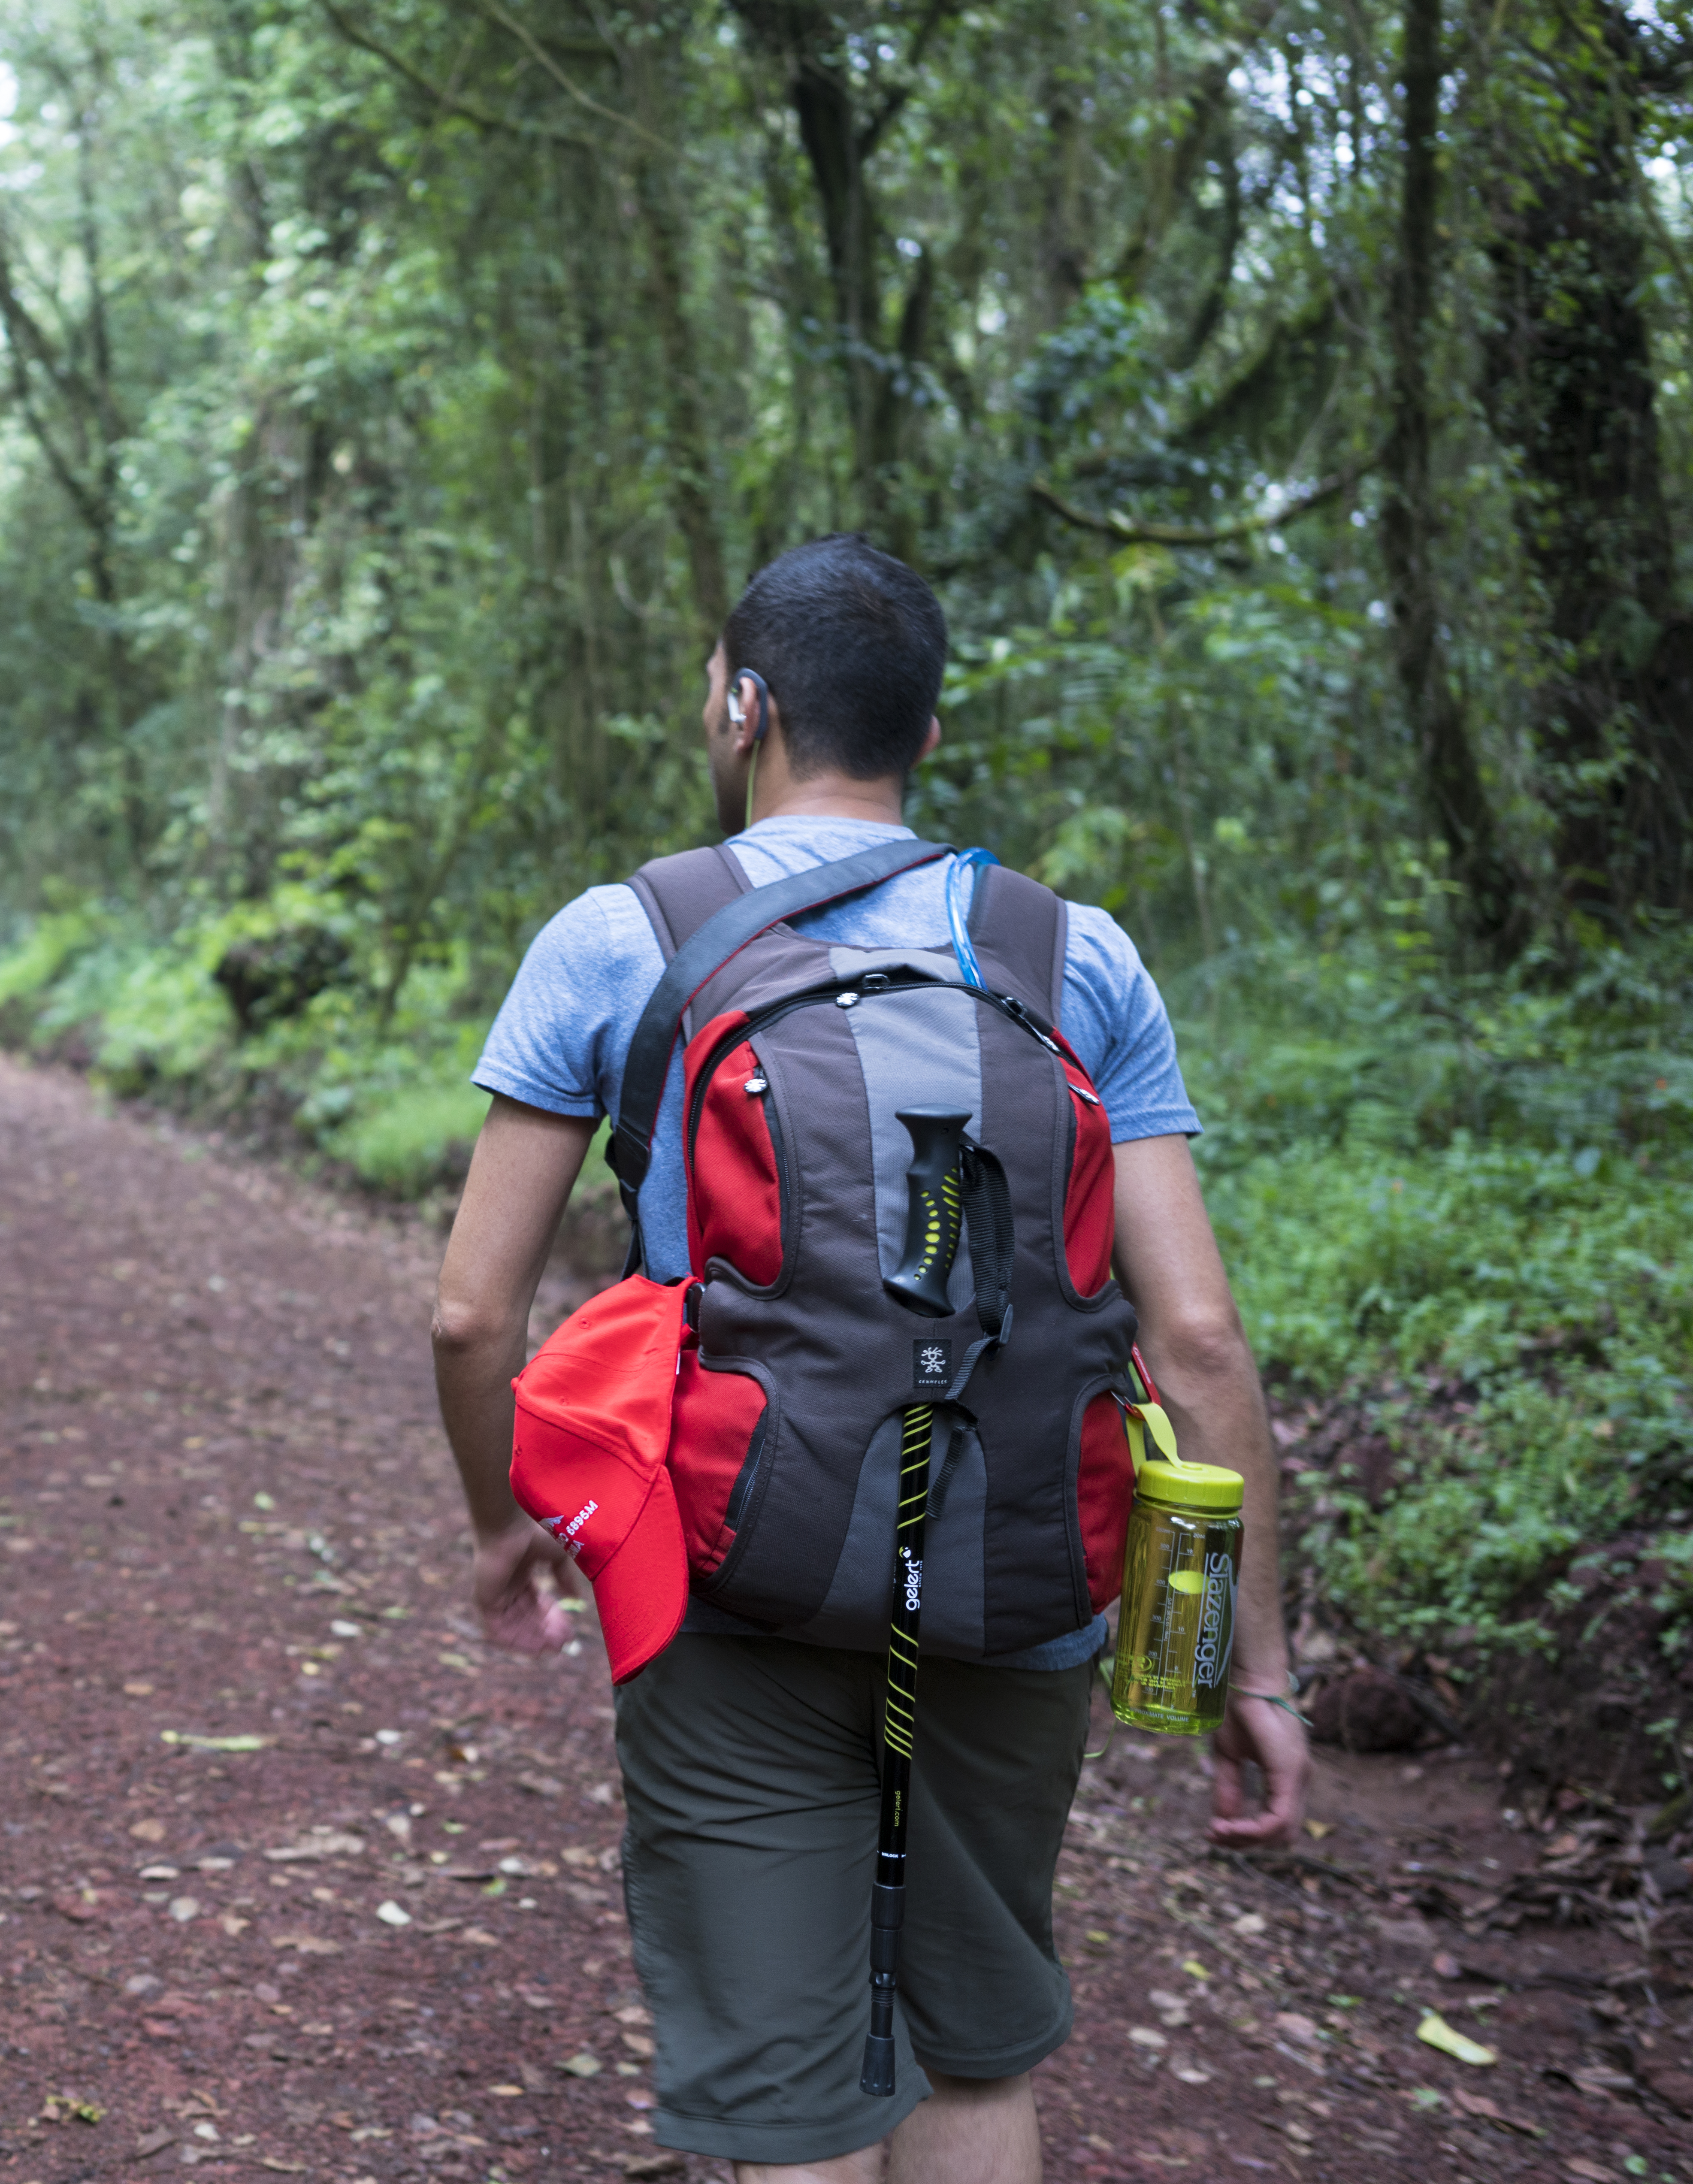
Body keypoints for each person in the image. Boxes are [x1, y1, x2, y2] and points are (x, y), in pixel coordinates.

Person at [426, 535, 1306, 2184]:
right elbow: (1191, 1338)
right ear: (915, 726)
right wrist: (1245, 1666)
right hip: (1013, 1571)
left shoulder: (623, 939)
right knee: (967, 2046)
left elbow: (471, 1315)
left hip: (727, 1569)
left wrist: (499, 1524)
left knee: (788, 2091)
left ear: (742, 704)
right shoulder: (1070, 955)